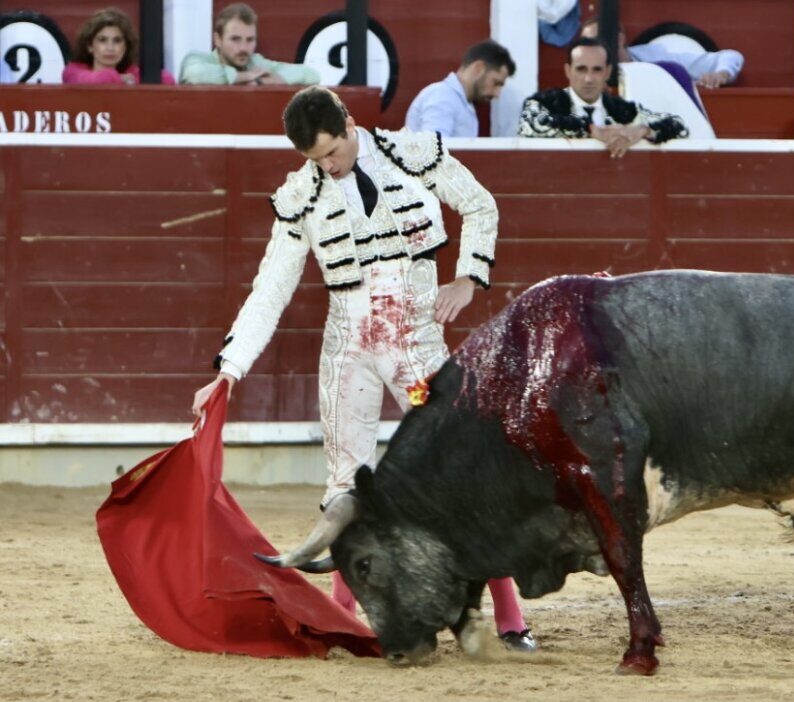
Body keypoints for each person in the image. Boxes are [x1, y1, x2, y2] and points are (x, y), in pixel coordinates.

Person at [190, 86, 535, 653]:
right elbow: (271, 289)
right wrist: (228, 370)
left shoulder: (413, 154)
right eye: (315, 159)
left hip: (416, 343)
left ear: (350, 124)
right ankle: (344, 621)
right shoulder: (301, 195)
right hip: (347, 346)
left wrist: (468, 280)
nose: (327, 166)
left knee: (462, 468)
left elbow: (480, 205)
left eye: (331, 152)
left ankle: (509, 617)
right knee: (345, 480)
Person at [518, 37, 687, 158]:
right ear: (568, 70)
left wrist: (641, 131)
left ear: (607, 72)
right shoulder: (546, 102)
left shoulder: (622, 110)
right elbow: (530, 123)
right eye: (581, 69)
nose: (589, 78)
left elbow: (679, 126)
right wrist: (592, 130)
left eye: (597, 70)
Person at [579, 17, 744, 89]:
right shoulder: (583, 73)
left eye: (594, 41)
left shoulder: (657, 57)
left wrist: (721, 74)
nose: (589, 48)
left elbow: (730, 56)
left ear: (620, 40)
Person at [180, 3, 318, 86]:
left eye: (250, 40)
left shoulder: (255, 63)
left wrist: (262, 82)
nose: (243, 48)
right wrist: (243, 77)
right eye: (235, 39)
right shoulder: (196, 59)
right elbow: (194, 74)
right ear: (218, 40)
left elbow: (311, 74)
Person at [404, 39, 516, 137]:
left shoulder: (454, 99)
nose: (497, 94)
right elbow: (435, 152)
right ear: (479, 68)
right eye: (496, 83)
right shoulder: (443, 96)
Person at [62, 8, 176, 85]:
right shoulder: (73, 71)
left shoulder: (132, 73)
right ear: (89, 46)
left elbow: (167, 79)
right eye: (103, 40)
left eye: (117, 41)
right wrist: (119, 79)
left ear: (126, 46)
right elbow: (87, 81)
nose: (110, 47)